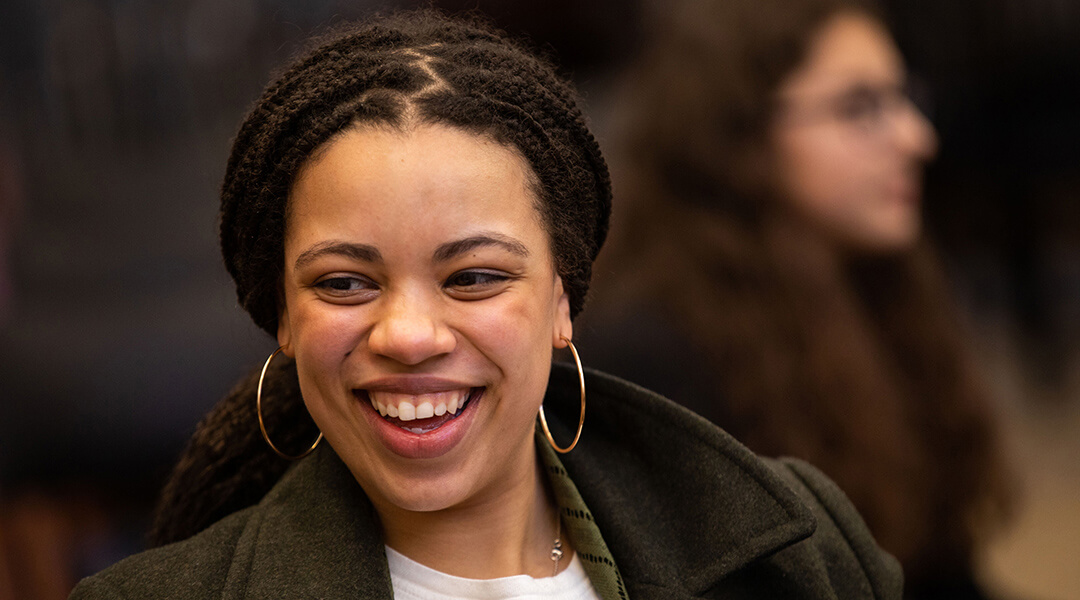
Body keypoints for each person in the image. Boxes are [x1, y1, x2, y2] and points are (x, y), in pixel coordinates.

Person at [70, 10, 901, 599]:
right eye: (344, 284)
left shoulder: (805, 548)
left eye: (473, 277)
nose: (407, 334)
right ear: (281, 317)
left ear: (563, 297)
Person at [579, 0, 1012, 598]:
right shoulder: (655, 353)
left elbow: (941, 575)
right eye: (860, 107)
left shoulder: (882, 287)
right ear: (739, 136)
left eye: (906, 96)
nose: (917, 137)